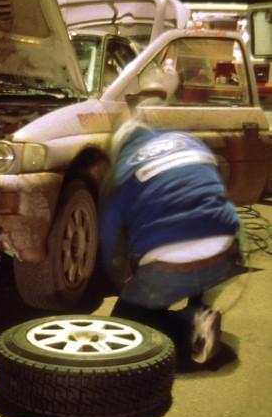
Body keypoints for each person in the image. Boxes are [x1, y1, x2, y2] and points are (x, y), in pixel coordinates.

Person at [99, 121, 244, 365]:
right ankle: (199, 305)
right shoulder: (190, 142)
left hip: (173, 263)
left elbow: (111, 237)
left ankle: (191, 322)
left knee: (125, 324)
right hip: (227, 250)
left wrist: (121, 279)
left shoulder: (122, 169)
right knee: (192, 236)